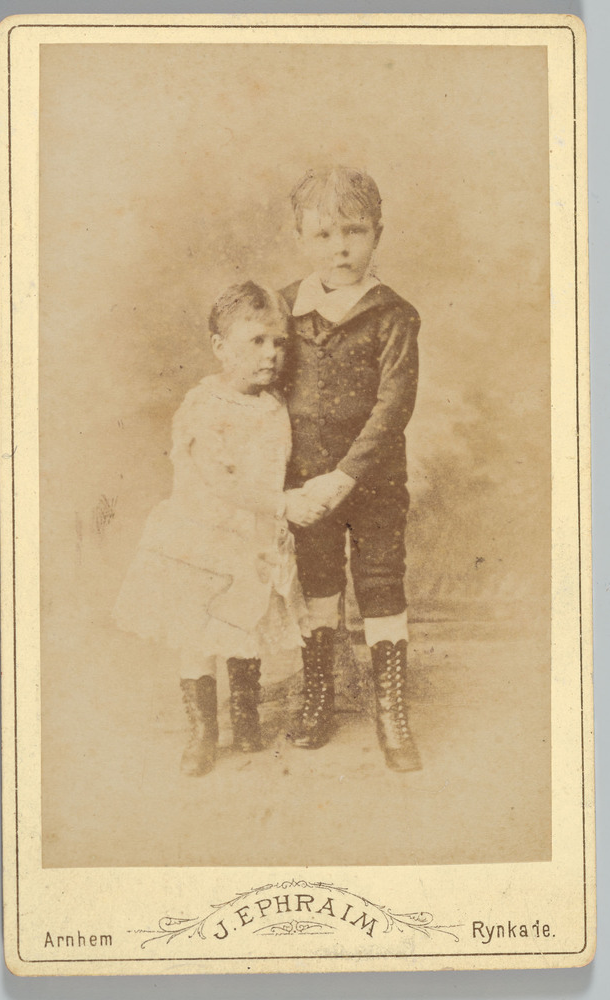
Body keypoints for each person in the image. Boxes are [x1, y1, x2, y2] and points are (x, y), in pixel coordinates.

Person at [114, 282, 323, 776]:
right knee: (200, 636)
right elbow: (219, 479)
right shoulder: (204, 405)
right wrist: (282, 504)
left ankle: (246, 717)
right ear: (220, 346)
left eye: (279, 342)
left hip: (252, 540)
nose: (271, 354)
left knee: (246, 626)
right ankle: (203, 734)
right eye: (257, 341)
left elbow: (277, 468)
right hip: (203, 541)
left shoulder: (274, 405)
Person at [280, 165, 422, 772]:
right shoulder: (283, 310)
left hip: (373, 482)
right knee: (318, 585)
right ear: (301, 238)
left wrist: (347, 475)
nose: (340, 247)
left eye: (354, 231)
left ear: (377, 235)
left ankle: (391, 712)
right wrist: (288, 486)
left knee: (381, 583)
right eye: (323, 234)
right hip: (306, 485)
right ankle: (320, 698)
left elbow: (394, 406)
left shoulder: (394, 315)